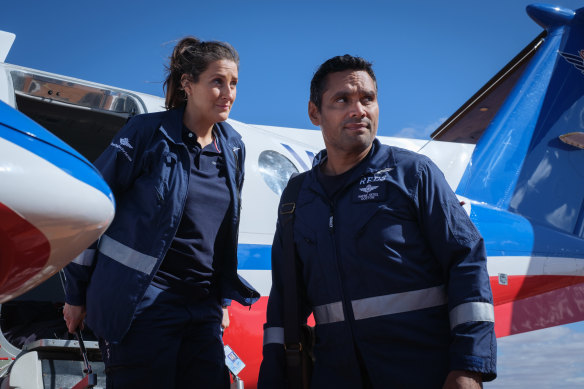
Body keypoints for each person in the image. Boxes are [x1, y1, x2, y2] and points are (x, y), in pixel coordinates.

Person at [258, 55, 496, 388]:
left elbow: (466, 263)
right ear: (315, 113)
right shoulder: (297, 198)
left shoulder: (414, 174)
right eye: (342, 100)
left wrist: (470, 366)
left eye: (367, 99)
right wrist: (274, 378)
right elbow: (285, 302)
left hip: (423, 374)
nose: (359, 110)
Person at [62, 36, 259, 388]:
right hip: (142, 305)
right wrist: (76, 296)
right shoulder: (146, 134)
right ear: (188, 83)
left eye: (234, 83)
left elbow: (223, 233)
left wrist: (223, 301)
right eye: (217, 81)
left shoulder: (233, 147)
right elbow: (90, 207)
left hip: (201, 308)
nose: (228, 92)